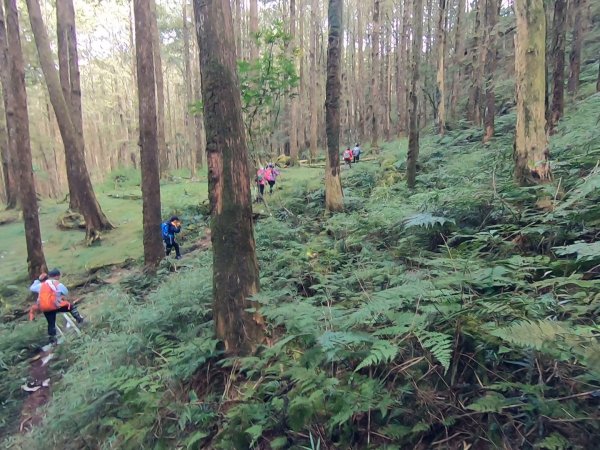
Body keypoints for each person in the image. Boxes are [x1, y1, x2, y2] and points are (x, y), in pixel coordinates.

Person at [29, 269, 84, 345]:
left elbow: (31, 288)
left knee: (51, 323)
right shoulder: (56, 283)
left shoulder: (40, 285)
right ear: (57, 276)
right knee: (70, 306)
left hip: (45, 308)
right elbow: (65, 292)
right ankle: (80, 320)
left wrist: (38, 280)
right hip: (55, 306)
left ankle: (53, 341)